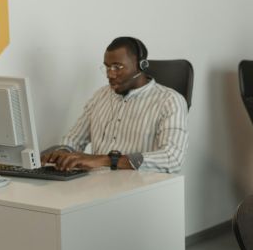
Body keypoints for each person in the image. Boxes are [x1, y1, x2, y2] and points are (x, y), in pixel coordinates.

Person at [41, 37, 188, 173]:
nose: (110, 75)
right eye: (107, 67)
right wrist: (63, 153)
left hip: (139, 190)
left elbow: (172, 159)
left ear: (141, 65)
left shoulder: (170, 101)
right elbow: (73, 139)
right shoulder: (100, 96)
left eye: (118, 67)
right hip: (94, 187)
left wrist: (105, 160)